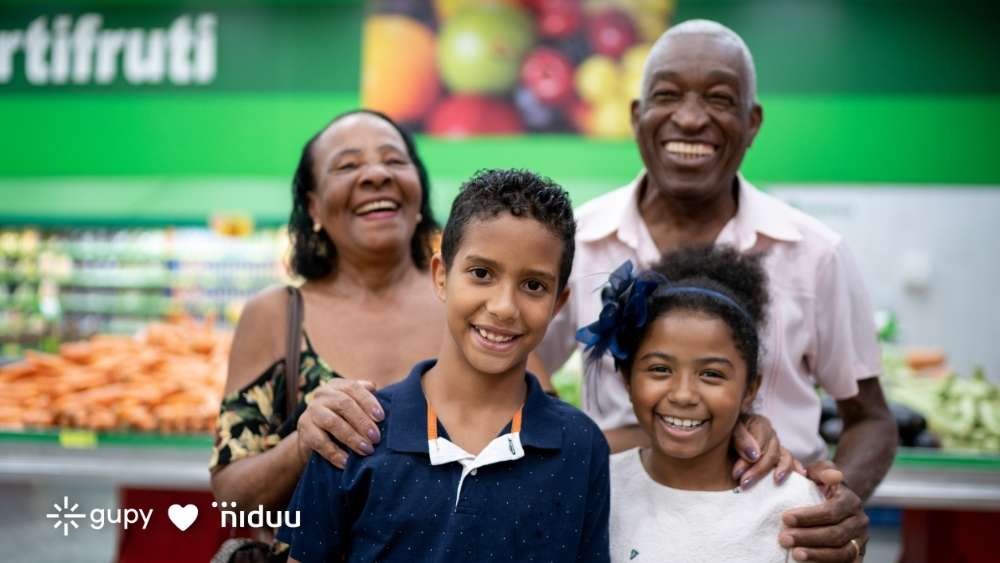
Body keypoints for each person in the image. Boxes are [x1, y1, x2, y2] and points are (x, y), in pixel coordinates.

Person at [535, 19, 895, 563]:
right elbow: (516, 368)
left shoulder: (815, 253)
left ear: (752, 123)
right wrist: (599, 448)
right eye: (667, 95)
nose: (690, 117)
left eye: (720, 99)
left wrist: (838, 501)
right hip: (616, 524)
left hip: (774, 536)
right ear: (636, 115)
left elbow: (870, 417)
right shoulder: (576, 242)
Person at [278, 169, 611, 562]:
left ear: (558, 303)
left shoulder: (580, 446)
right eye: (482, 273)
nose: (504, 306)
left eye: (534, 285)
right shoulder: (357, 429)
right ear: (441, 277)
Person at [209, 109, 444, 559]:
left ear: (419, 191)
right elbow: (233, 502)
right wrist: (304, 443)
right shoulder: (277, 315)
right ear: (314, 207)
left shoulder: (468, 305)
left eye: (394, 161)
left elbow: (545, 445)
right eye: (348, 165)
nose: (376, 174)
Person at [581, 247, 844, 563]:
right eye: (660, 369)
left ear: (750, 388)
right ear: (626, 378)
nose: (683, 395)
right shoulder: (596, 486)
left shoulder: (794, 506)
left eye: (711, 374)